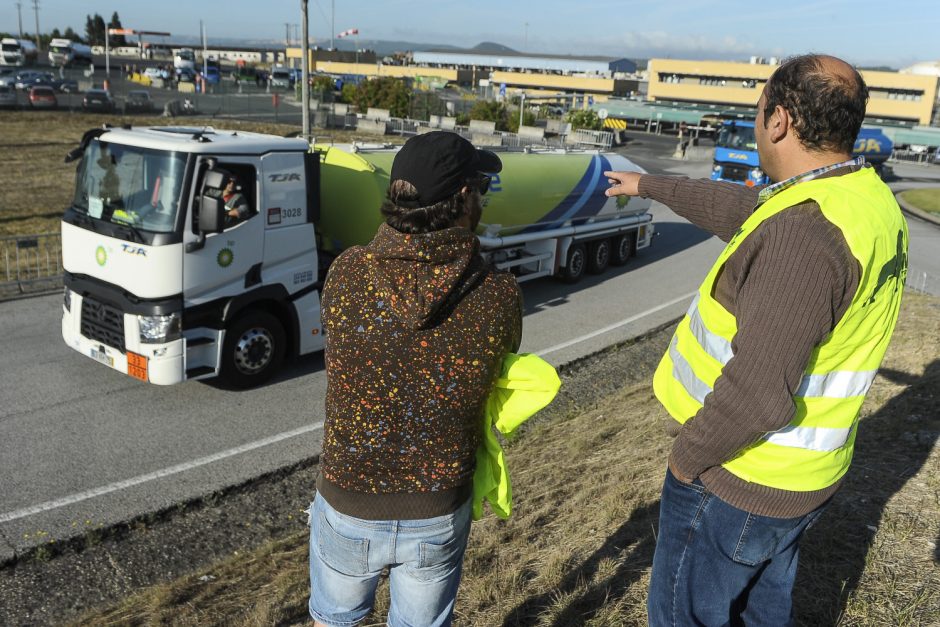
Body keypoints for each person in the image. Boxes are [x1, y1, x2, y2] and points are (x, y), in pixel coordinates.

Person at [605, 54, 908, 626]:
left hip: (739, 477)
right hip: (803, 477)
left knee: (683, 615)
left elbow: (759, 397)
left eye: (759, 108)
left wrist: (687, 462)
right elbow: (748, 210)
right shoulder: (860, 198)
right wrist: (649, 184)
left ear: (779, 122)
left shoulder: (802, 238)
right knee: (763, 610)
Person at [309, 131, 523, 627]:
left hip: (348, 499)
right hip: (438, 507)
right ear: (463, 200)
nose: (485, 196)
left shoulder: (345, 273)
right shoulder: (498, 295)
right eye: (481, 186)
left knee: (334, 621)